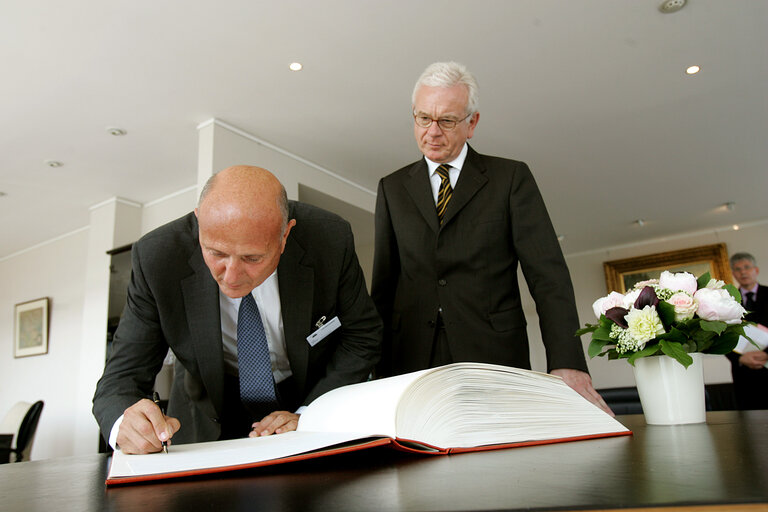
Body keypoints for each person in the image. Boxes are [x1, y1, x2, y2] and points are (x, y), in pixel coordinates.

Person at [371, 61, 610, 414]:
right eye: (423, 118)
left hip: (493, 353)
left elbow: (548, 277)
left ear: (472, 123)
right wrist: (376, 371)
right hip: (410, 359)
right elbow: (384, 286)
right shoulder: (392, 188)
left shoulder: (510, 178)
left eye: (447, 121)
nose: (432, 132)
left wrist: (567, 361)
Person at [93, 166, 382, 454]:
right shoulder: (157, 258)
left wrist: (311, 412)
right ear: (199, 222)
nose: (231, 278)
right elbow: (122, 376)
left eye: (252, 258)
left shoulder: (329, 238)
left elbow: (362, 334)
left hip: (309, 394)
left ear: (285, 236)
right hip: (207, 411)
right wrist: (125, 422)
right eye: (216, 253)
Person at [726, 252, 768, 409]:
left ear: (755, 270)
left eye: (746, 267)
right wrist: (739, 359)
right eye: (737, 269)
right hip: (743, 373)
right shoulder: (728, 301)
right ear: (733, 273)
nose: (743, 272)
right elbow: (722, 336)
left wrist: (766, 354)